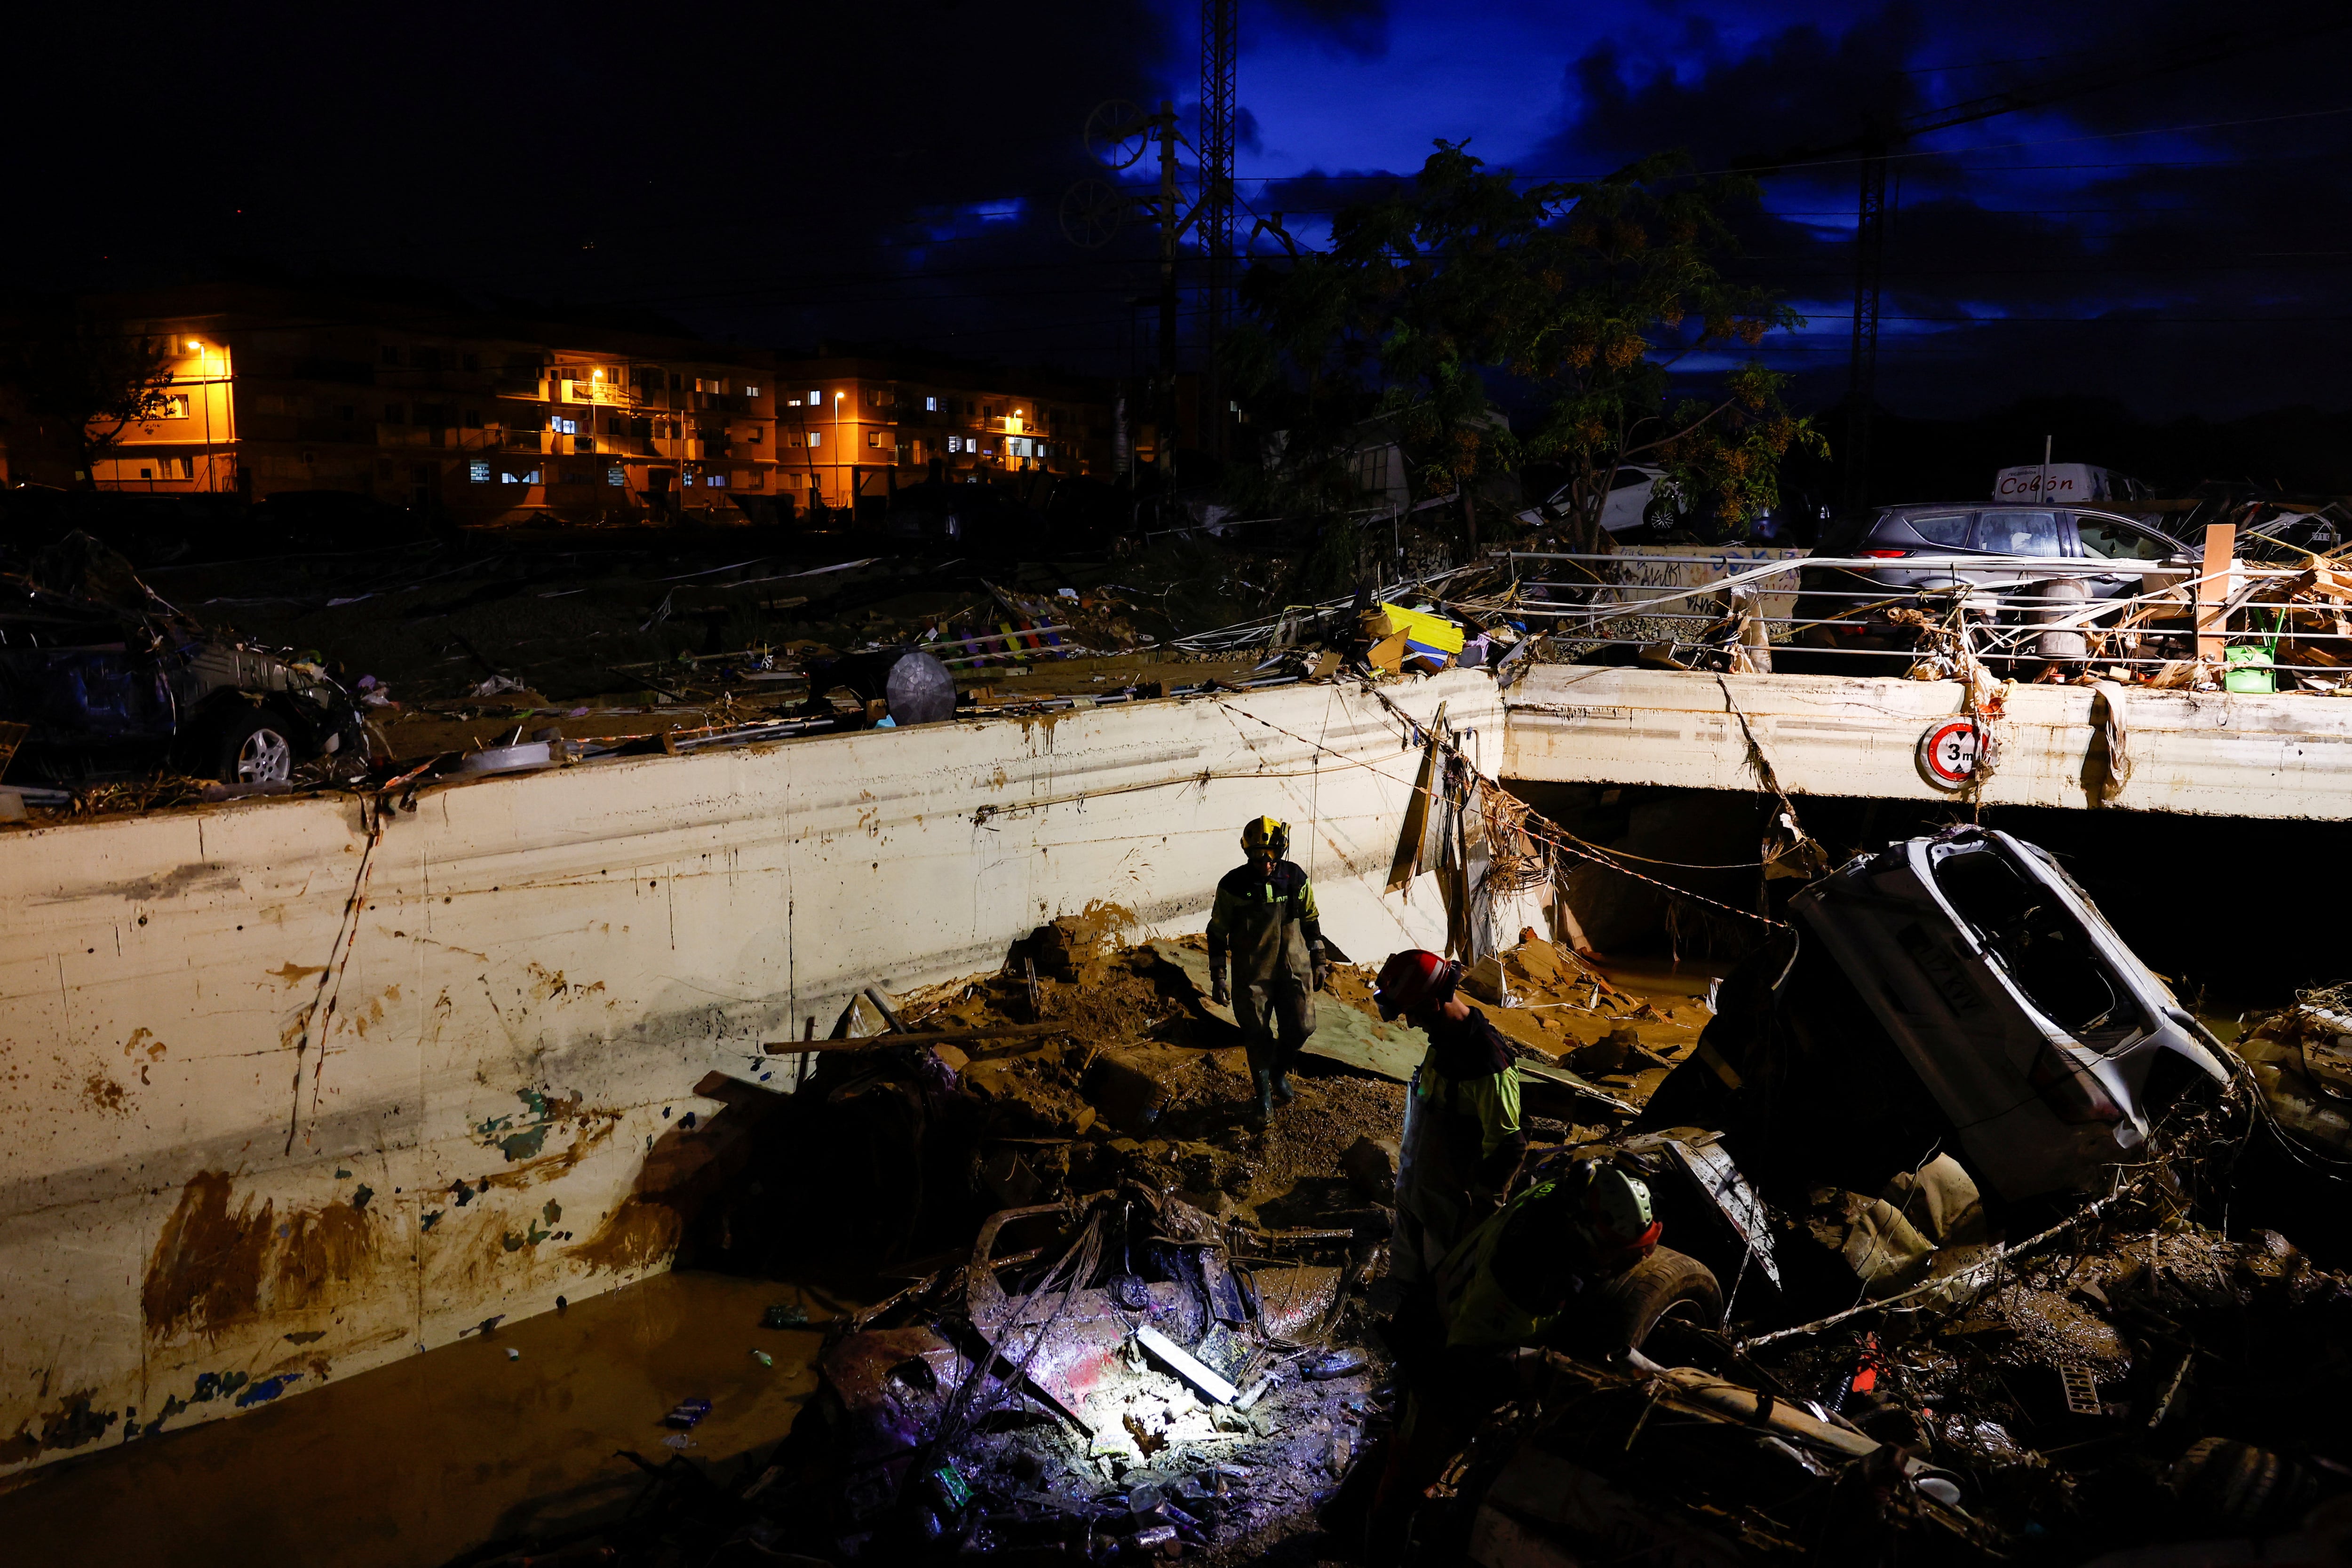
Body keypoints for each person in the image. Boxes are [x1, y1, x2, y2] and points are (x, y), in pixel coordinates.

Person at [1374, 949, 1527, 1288]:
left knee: (1441, 1293)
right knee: (1405, 1285)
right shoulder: (1444, 1042)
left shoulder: (1488, 1064)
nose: (1411, 1023)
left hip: (1449, 1214)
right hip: (1417, 1193)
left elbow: (1508, 1148)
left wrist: (1478, 1224)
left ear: (1431, 1005)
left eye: (1412, 1014)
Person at [1206, 816, 1325, 1128]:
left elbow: (1310, 918)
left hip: (1292, 966)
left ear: (1281, 852)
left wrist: (1319, 959)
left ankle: (1279, 1072)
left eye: (1271, 856)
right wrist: (1219, 976)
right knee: (1256, 1033)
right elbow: (1217, 932)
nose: (1265, 863)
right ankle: (1263, 1098)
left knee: (1302, 1026)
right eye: (1257, 856)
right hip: (1252, 970)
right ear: (1248, 853)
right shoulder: (1232, 886)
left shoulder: (1294, 878)